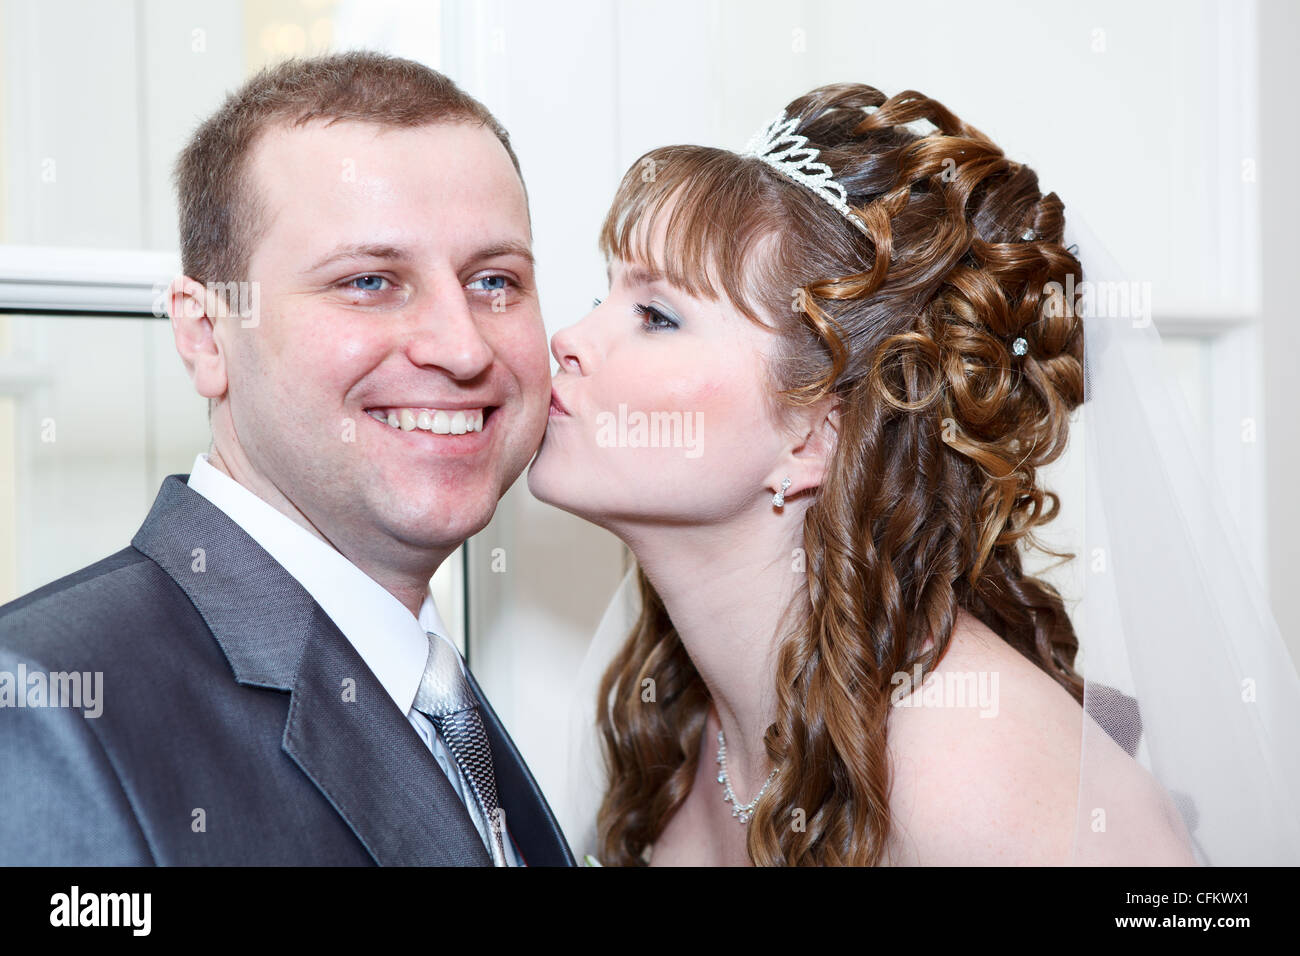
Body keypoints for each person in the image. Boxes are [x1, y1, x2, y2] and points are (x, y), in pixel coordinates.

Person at [530, 82, 1300, 866]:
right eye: (604, 293)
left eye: (656, 316)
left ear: (814, 438)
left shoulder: (985, 775)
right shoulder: (675, 715)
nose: (567, 338)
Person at [0, 51, 573, 866]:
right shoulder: (42, 708)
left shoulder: (437, 695)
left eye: (494, 281)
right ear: (206, 337)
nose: (462, 346)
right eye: (370, 281)